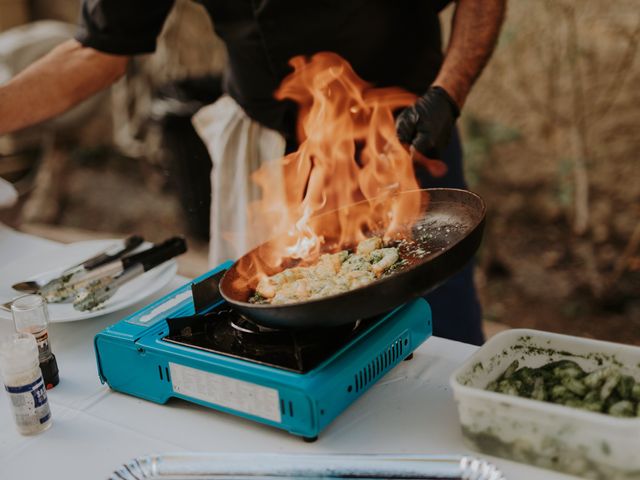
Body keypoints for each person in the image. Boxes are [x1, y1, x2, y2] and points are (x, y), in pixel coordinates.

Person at [0, 0, 506, 345]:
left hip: (407, 136)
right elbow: (96, 51)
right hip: (272, 151)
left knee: (443, 333)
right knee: (285, 329)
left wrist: (447, 94)